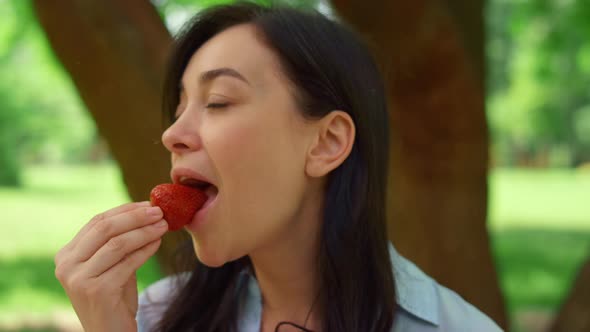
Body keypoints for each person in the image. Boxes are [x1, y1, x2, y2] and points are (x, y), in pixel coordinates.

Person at [54, 3, 503, 332]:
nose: (172, 134)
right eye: (178, 108)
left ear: (326, 143)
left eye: (218, 101)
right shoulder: (151, 317)